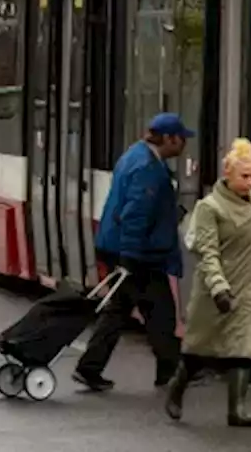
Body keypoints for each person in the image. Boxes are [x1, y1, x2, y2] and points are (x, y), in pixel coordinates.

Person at [73, 112, 194, 392]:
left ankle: (90, 367)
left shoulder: (135, 155)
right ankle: (170, 369)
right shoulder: (148, 168)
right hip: (137, 252)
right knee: (160, 309)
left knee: (118, 309)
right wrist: (129, 256)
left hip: (123, 246)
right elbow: (135, 215)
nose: (184, 144)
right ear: (168, 138)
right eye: (181, 138)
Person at [165, 138, 251, 428]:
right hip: (215, 292)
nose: (250, 182)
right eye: (245, 176)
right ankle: (177, 387)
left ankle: (236, 409)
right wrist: (218, 288)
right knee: (199, 350)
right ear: (228, 174)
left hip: (247, 289)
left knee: (244, 349)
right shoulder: (209, 208)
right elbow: (208, 252)